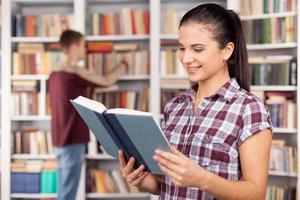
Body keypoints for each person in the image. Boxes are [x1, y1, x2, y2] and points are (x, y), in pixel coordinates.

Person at [119, 3, 272, 199]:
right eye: (182, 48)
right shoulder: (174, 107)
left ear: (227, 51)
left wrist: (202, 179)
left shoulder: (249, 109)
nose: (186, 58)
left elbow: (256, 194)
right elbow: (171, 186)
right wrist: (143, 181)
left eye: (197, 49)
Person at [48, 29, 127, 200]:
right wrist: (123, 65)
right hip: (72, 139)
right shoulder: (74, 73)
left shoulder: (54, 74)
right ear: (74, 46)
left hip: (58, 139)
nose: (85, 50)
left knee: (62, 190)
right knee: (68, 192)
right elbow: (106, 81)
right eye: (83, 45)